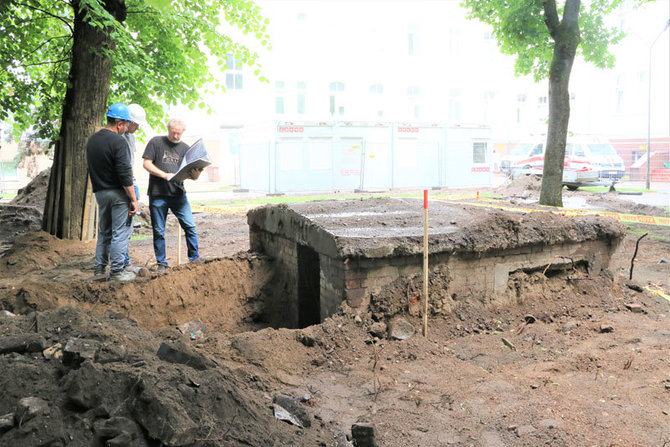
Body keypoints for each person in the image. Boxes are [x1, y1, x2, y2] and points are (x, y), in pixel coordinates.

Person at [87, 103, 139, 281]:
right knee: (120, 232)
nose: (126, 129)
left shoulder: (93, 140)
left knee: (104, 232)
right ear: (119, 124)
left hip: (101, 193)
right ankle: (117, 272)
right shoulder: (119, 141)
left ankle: (99, 271)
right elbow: (125, 174)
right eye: (126, 125)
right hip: (118, 195)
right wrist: (133, 198)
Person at [142, 118, 201, 270]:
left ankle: (194, 260)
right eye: (174, 133)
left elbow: (193, 176)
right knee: (159, 231)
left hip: (178, 195)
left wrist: (195, 174)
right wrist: (164, 175)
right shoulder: (156, 142)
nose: (176, 136)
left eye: (179, 134)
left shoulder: (186, 149)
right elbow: (146, 163)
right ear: (168, 130)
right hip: (158, 194)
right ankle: (162, 263)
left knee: (190, 226)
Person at [122, 104, 147, 271]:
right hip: (122, 185)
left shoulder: (131, 137)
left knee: (128, 225)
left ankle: (124, 258)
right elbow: (123, 167)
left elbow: (130, 164)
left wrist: (135, 185)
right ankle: (122, 263)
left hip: (130, 182)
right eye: (136, 124)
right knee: (121, 226)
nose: (138, 128)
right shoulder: (118, 137)